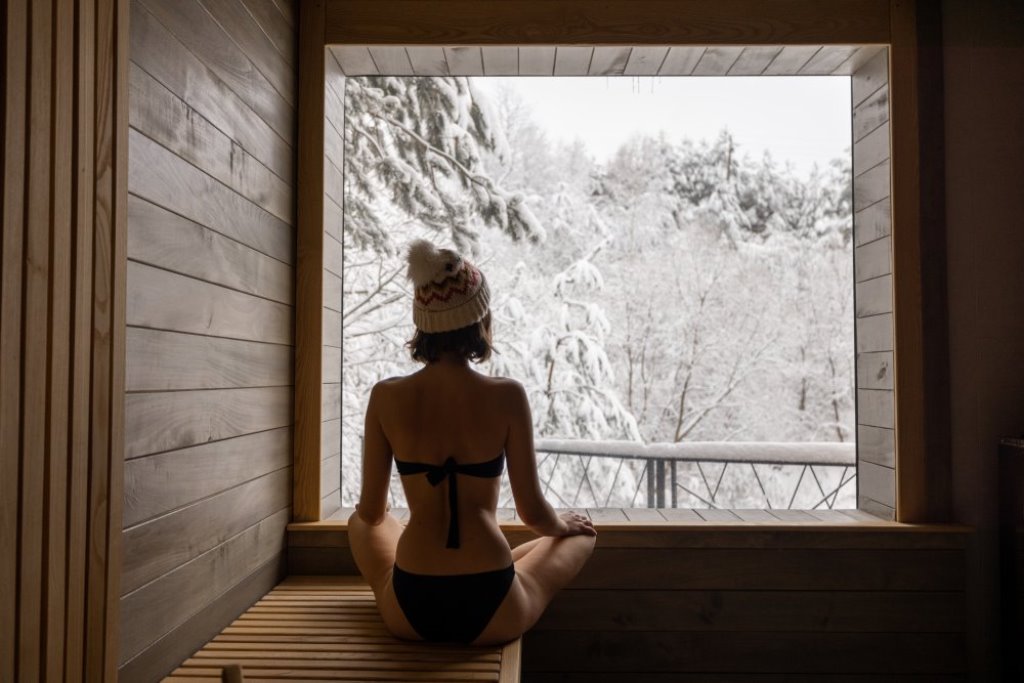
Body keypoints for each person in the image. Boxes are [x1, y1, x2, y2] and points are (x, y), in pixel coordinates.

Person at [348, 239, 597, 646]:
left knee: (360, 524)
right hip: (494, 607)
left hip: (411, 610)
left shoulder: (385, 396)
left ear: (422, 325)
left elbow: (373, 514)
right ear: (481, 320)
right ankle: (515, 564)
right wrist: (560, 526)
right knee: (580, 534)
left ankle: (424, 574)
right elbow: (533, 512)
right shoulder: (508, 396)